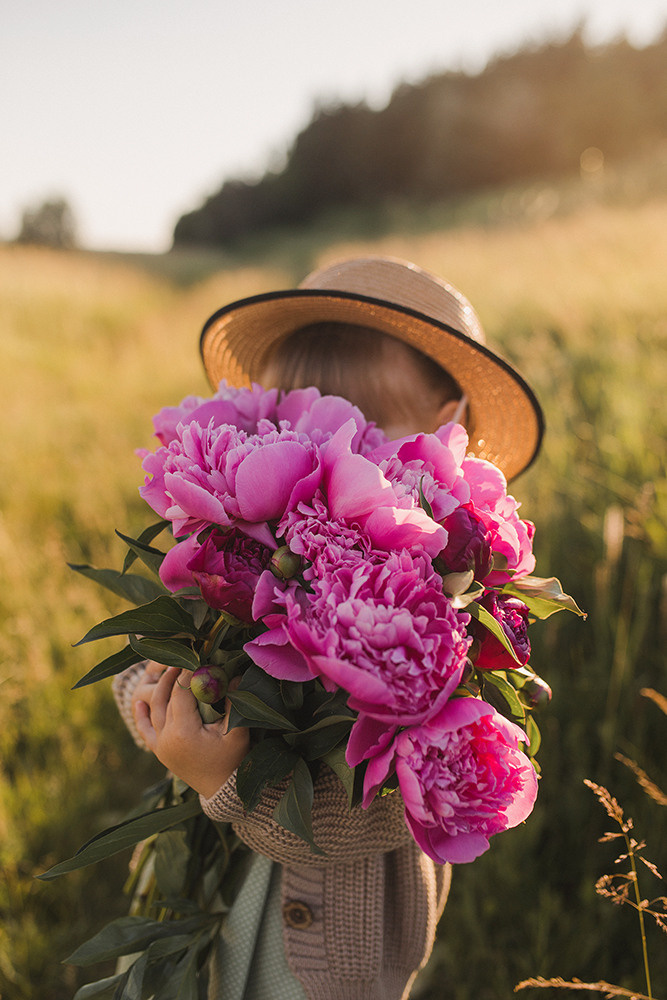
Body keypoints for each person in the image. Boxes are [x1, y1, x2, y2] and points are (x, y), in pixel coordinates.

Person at [112, 256, 544, 999]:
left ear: (448, 433)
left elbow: (373, 824)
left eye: (360, 429)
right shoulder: (249, 549)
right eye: (289, 425)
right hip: (218, 902)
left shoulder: (441, 614)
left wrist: (221, 779)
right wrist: (152, 704)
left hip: (332, 958)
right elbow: (164, 657)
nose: (321, 455)